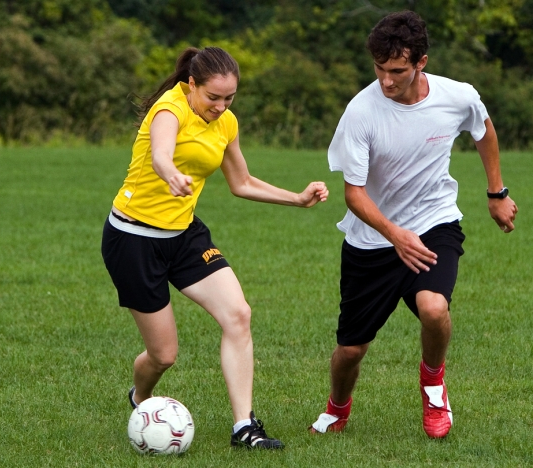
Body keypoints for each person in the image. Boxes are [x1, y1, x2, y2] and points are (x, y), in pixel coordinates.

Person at [101, 46, 329, 449]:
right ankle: (140, 398)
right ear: (192, 85)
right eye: (213, 97)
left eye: (229, 98)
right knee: (163, 356)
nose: (221, 107)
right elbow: (159, 154)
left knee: (238, 314)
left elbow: (241, 182)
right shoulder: (169, 110)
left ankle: (244, 427)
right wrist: (170, 173)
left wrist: (296, 198)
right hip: (134, 240)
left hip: (184, 236)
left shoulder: (226, 123)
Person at [309, 11, 518, 439]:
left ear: (421, 62)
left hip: (434, 222)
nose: (386, 80)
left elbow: (484, 131)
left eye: (397, 70)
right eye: (380, 69)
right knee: (351, 349)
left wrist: (496, 194)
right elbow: (355, 194)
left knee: (434, 307)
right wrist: (395, 235)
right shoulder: (361, 112)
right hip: (372, 240)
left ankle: (434, 384)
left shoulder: (457, 96)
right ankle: (338, 407)